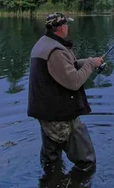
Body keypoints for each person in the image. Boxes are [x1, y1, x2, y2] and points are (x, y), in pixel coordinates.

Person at [27, 12, 104, 175]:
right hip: (59, 114)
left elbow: (64, 68)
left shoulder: (43, 43)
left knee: (51, 160)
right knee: (87, 161)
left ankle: (50, 182)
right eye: (67, 24)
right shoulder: (56, 51)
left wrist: (88, 62)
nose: (68, 27)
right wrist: (90, 64)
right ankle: (77, 183)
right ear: (61, 28)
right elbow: (74, 82)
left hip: (45, 112)